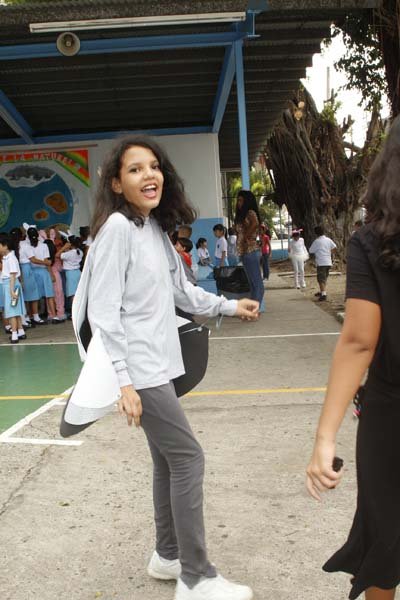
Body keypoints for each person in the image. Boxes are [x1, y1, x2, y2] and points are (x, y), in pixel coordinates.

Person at [86, 135, 258, 600]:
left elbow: (183, 292)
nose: (149, 175)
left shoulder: (153, 230)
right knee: (188, 457)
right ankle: (196, 576)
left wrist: (228, 305)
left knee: (167, 459)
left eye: (154, 166)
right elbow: (102, 312)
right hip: (140, 370)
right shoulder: (117, 229)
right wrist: (123, 381)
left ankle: (167, 555)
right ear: (117, 184)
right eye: (135, 169)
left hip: (158, 364)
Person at [306, 115, 400, 600]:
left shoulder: (373, 239)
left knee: (385, 538)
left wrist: (325, 437)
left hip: (390, 413)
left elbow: (360, 341)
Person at [234, 190, 264, 306]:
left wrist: (246, 236)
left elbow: (255, 223)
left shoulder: (250, 213)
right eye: (238, 200)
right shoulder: (243, 215)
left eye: (241, 200)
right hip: (245, 253)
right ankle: (252, 310)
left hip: (251, 251)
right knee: (252, 284)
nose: (238, 203)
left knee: (257, 284)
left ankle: (253, 310)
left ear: (247, 201)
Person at [26, 226, 57, 321]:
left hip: (32, 272)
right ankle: (54, 316)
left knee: (33, 296)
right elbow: (47, 262)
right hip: (44, 272)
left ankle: (32, 316)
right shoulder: (44, 246)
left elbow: (32, 260)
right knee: (49, 295)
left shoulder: (27, 246)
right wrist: (51, 274)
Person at [0, 233, 26, 344]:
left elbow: (12, 275)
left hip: (11, 285)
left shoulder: (11, 258)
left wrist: (11, 290)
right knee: (15, 310)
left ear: (5, 245)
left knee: (12, 312)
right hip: (10, 284)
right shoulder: (8, 257)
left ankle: (14, 335)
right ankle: (21, 331)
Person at [308, 225, 337, 301]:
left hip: (321, 262)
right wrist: (329, 253)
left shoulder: (316, 241)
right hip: (328, 262)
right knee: (324, 278)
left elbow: (310, 250)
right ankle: (322, 291)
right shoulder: (328, 240)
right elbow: (334, 248)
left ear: (316, 233)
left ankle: (323, 294)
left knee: (321, 279)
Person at [57, 236, 82, 303]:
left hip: (70, 274)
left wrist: (64, 247)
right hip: (78, 272)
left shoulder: (68, 254)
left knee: (73, 293)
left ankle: (74, 308)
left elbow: (57, 255)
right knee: (79, 292)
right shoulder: (80, 252)